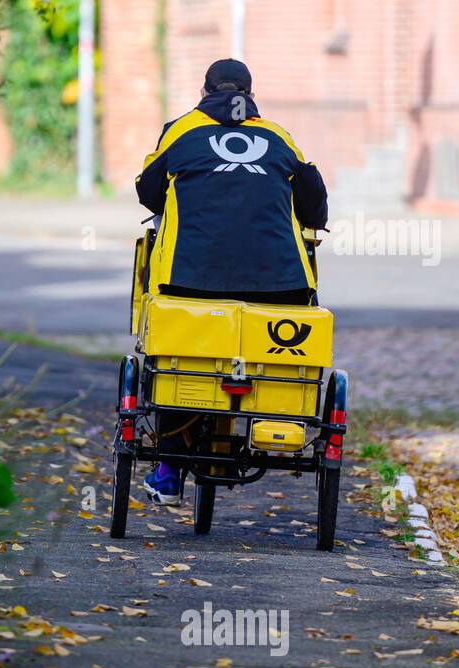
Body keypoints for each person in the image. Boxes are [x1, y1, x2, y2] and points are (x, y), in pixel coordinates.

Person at [136, 58, 329, 505]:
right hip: (282, 286)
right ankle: (281, 429)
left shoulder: (180, 130)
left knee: (175, 357)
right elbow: (313, 200)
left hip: (189, 281)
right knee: (274, 361)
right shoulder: (278, 136)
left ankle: (167, 472)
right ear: (249, 93)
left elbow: (147, 191)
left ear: (204, 92)